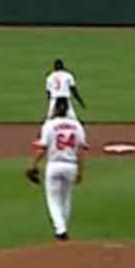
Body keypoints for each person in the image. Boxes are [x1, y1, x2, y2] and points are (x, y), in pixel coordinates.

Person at [29, 95, 88, 241]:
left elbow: (42, 149)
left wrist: (33, 165)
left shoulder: (49, 125)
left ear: (54, 108)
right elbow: (81, 150)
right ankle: (63, 228)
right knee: (65, 199)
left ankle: (60, 230)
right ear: (68, 109)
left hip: (54, 165)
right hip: (71, 165)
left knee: (53, 200)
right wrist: (81, 171)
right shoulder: (77, 126)